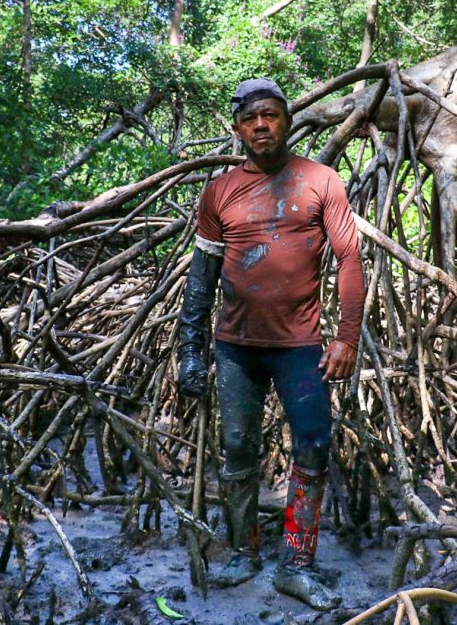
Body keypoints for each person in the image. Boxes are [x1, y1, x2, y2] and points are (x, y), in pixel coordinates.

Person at [176, 77, 365, 610]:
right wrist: (192, 352)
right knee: (237, 449)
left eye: (271, 116)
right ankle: (244, 552)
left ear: (286, 121)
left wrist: (346, 337)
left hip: (301, 346)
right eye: (250, 118)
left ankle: (297, 563)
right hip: (235, 346)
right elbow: (201, 276)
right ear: (237, 129)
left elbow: (349, 259)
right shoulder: (219, 192)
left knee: (314, 443)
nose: (261, 125)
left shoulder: (319, 180)